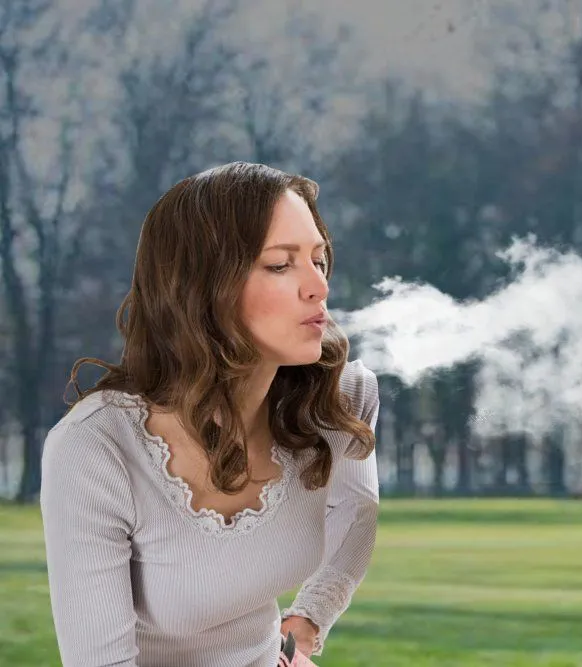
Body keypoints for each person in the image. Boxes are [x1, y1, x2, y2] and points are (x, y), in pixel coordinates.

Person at [39, 161, 381, 666]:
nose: (318, 288)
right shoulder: (97, 448)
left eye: (320, 260)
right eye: (280, 265)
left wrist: (308, 620)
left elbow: (356, 513)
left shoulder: (337, 398)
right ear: (202, 287)